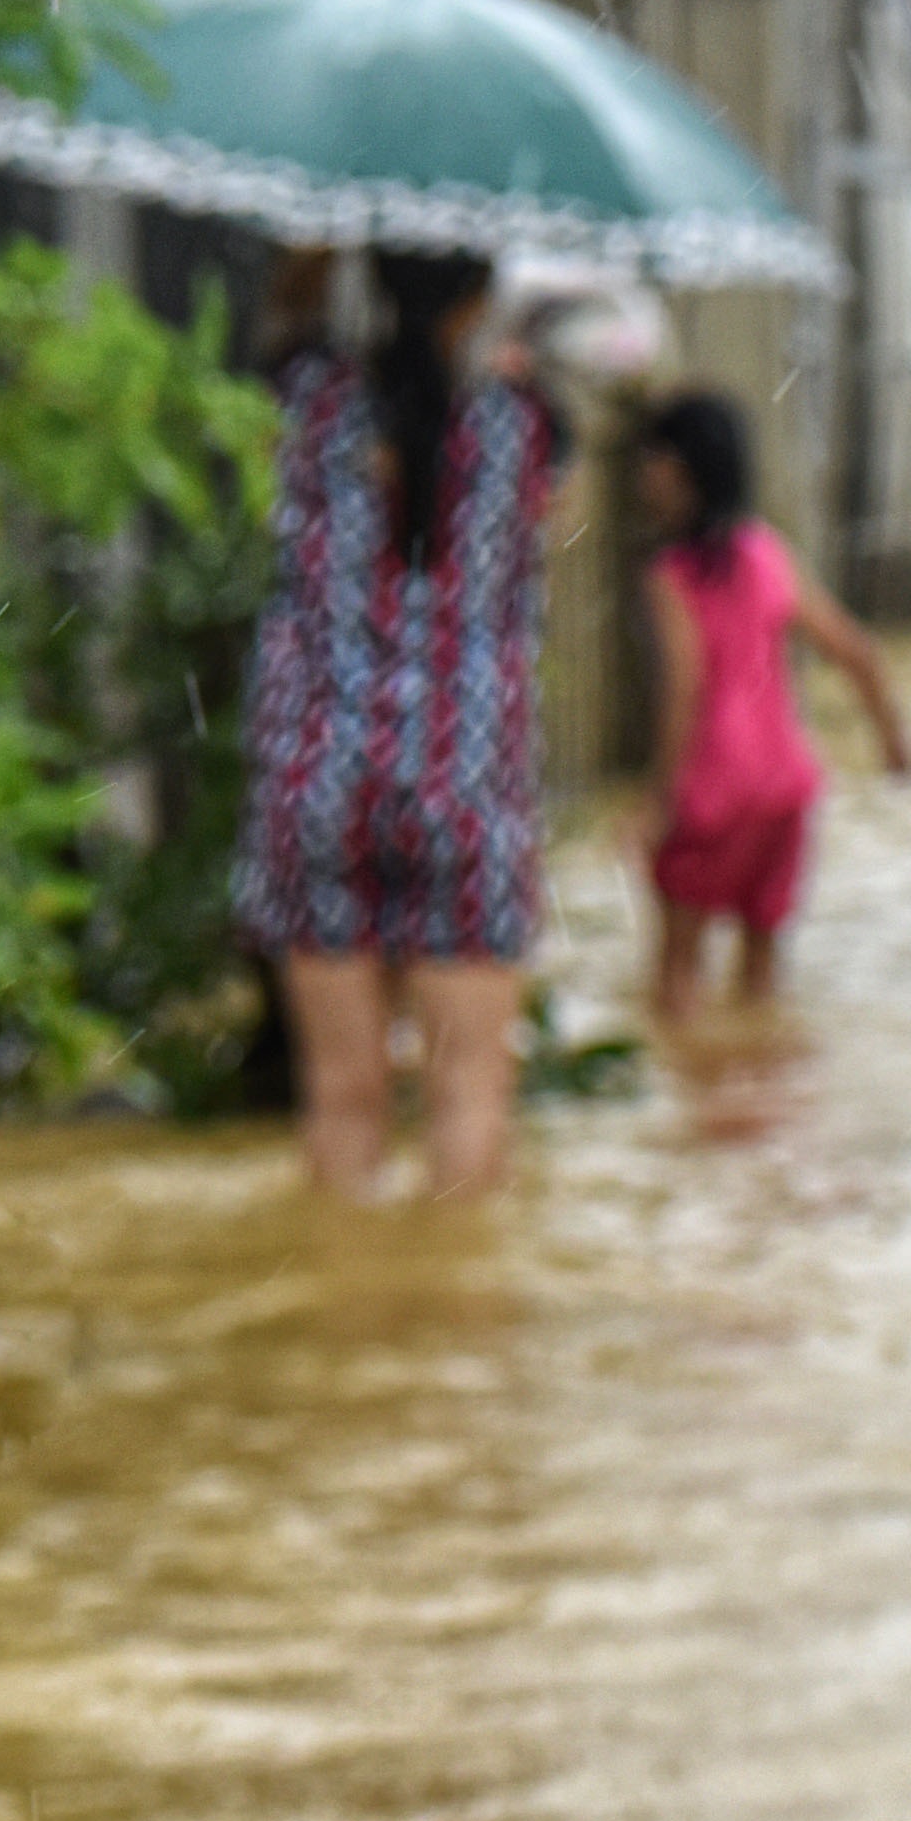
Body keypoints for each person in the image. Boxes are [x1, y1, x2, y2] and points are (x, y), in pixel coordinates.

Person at [233, 246, 562, 1197]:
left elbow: (278, 333)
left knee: (342, 1097)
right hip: (467, 781)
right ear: (476, 300)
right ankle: (445, 1339)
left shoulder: (304, 400)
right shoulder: (521, 422)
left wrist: (320, 247)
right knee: (468, 1097)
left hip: (320, 778)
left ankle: (342, 1333)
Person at [628, 389, 911, 1022]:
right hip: (785, 791)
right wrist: (894, 741)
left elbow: (685, 687)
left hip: (711, 794)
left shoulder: (669, 575)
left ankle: (695, 1108)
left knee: (677, 977)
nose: (642, 477)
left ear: (679, 473)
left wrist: (657, 802)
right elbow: (856, 649)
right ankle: (764, 1102)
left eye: (651, 462)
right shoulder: (765, 552)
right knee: (761, 979)